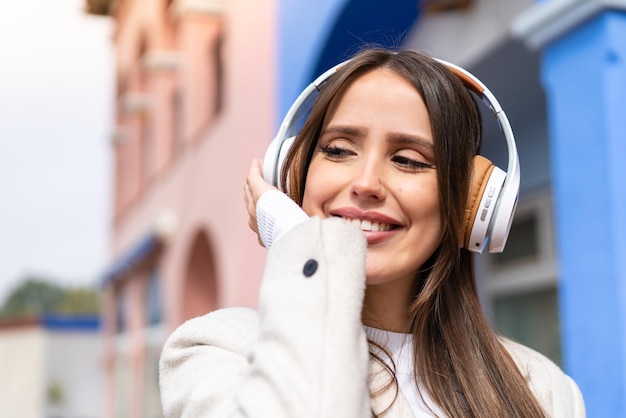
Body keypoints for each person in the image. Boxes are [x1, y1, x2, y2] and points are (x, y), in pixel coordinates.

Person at [159, 47, 585, 417]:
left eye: (409, 159)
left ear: (469, 205)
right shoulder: (218, 350)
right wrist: (303, 247)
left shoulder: (542, 389)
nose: (365, 183)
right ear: (292, 176)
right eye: (338, 150)